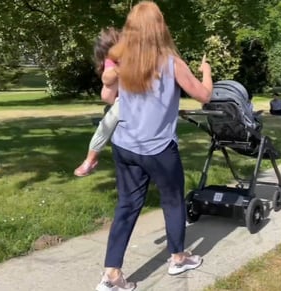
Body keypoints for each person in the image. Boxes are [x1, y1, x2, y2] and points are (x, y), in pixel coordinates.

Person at [95, 2, 213, 291]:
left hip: (125, 146)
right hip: (158, 149)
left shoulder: (124, 61)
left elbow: (108, 98)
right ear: (160, 27)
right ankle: (178, 258)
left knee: (126, 206)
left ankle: (111, 276)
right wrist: (206, 71)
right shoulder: (171, 62)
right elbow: (204, 96)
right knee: (172, 201)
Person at [74, 28, 121, 177]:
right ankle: (91, 158)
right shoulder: (112, 62)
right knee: (107, 124)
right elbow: (107, 79)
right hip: (123, 101)